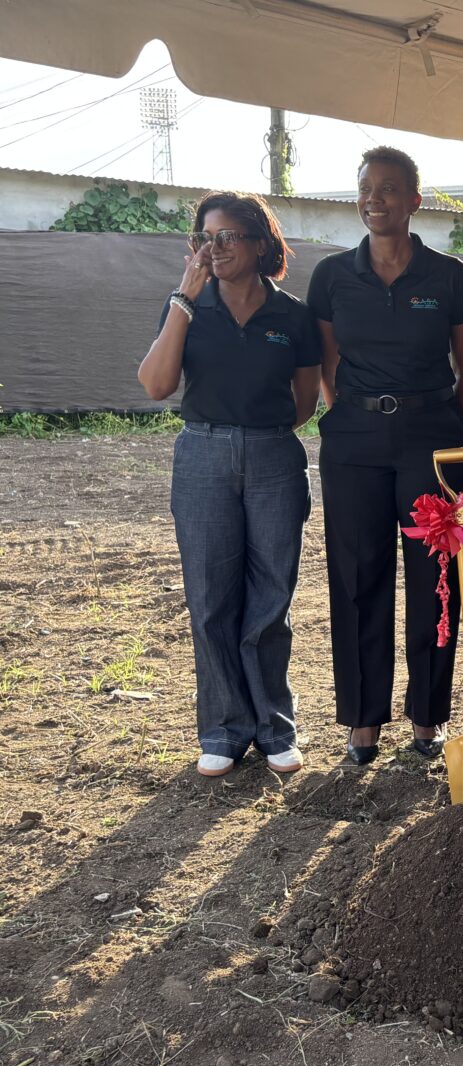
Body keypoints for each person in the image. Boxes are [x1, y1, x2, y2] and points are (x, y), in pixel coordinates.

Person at [307, 146, 463, 765]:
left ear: (413, 199)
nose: (373, 199)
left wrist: (438, 423)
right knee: (358, 574)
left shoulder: (448, 276)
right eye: (365, 188)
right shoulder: (332, 276)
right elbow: (328, 364)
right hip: (354, 440)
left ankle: (427, 716)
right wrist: (354, 413)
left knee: (435, 577)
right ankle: (363, 719)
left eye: (387, 188)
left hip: (432, 439)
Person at [138, 191, 320, 777]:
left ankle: (274, 728)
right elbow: (156, 385)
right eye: (204, 238)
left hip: (273, 457)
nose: (213, 249)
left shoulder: (292, 316)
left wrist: (259, 433)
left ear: (260, 244)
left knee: (271, 597)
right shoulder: (188, 307)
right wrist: (182, 300)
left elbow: (304, 400)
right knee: (212, 598)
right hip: (202, 455)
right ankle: (222, 730)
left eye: (226, 237)